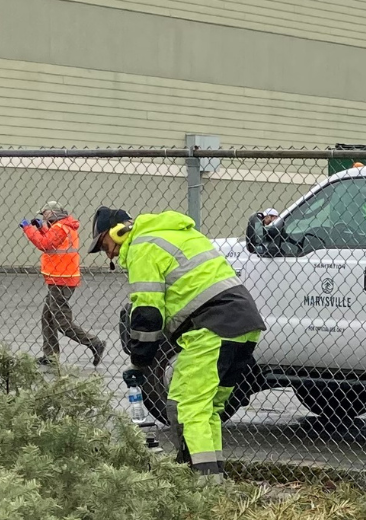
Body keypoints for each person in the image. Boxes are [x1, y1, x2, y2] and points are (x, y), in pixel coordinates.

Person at [89, 206, 266, 481]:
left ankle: (204, 489)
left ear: (118, 232)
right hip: (244, 325)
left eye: (104, 245)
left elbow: (147, 314)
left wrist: (139, 363)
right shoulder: (174, 233)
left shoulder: (142, 248)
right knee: (208, 409)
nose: (107, 253)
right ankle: (214, 479)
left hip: (211, 327)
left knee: (189, 408)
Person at [20, 201, 105, 366]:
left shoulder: (60, 227)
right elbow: (53, 241)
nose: (44, 218)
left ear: (51, 213)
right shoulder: (64, 226)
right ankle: (51, 355)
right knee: (48, 317)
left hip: (61, 279)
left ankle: (94, 342)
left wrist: (28, 229)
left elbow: (45, 244)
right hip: (61, 278)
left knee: (62, 322)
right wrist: (40, 228)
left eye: (44, 215)